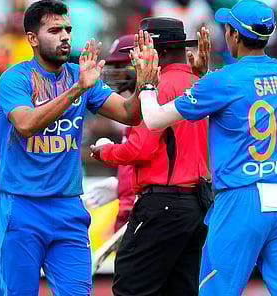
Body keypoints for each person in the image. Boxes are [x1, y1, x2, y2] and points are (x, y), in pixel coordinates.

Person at [133, 0, 277, 295]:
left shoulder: (225, 80)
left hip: (243, 198)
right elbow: (243, 101)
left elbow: (153, 119)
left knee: (216, 290)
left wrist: (147, 84)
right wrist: (204, 79)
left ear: (235, 35)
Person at [0, 0, 154, 295]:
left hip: (68, 207)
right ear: (32, 38)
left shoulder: (81, 77)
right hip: (20, 206)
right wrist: (77, 89)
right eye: (55, 30)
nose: (66, 36)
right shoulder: (14, 79)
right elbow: (26, 124)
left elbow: (130, 114)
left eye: (68, 29)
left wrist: (145, 83)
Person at [90, 17, 210, 296]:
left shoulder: (158, 88)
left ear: (158, 50)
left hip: (162, 203)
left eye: (142, 46)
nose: (136, 57)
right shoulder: (201, 83)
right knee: (182, 288)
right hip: (199, 203)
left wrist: (104, 152)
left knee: (131, 288)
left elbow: (139, 149)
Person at [84, 34, 137, 232]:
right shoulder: (133, 107)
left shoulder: (152, 105)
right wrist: (121, 186)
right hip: (131, 208)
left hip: (140, 211)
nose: (114, 73)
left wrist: (107, 152)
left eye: (119, 66)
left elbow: (144, 153)